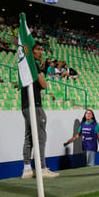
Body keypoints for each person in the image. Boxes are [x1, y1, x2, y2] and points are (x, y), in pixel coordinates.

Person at [21, 42, 59, 179]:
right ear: (31, 51)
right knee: (40, 137)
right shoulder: (33, 65)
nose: (41, 52)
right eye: (38, 49)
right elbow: (43, 84)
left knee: (29, 136)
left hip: (25, 105)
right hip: (35, 105)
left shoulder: (24, 65)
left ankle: (27, 169)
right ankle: (41, 168)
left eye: (42, 49)